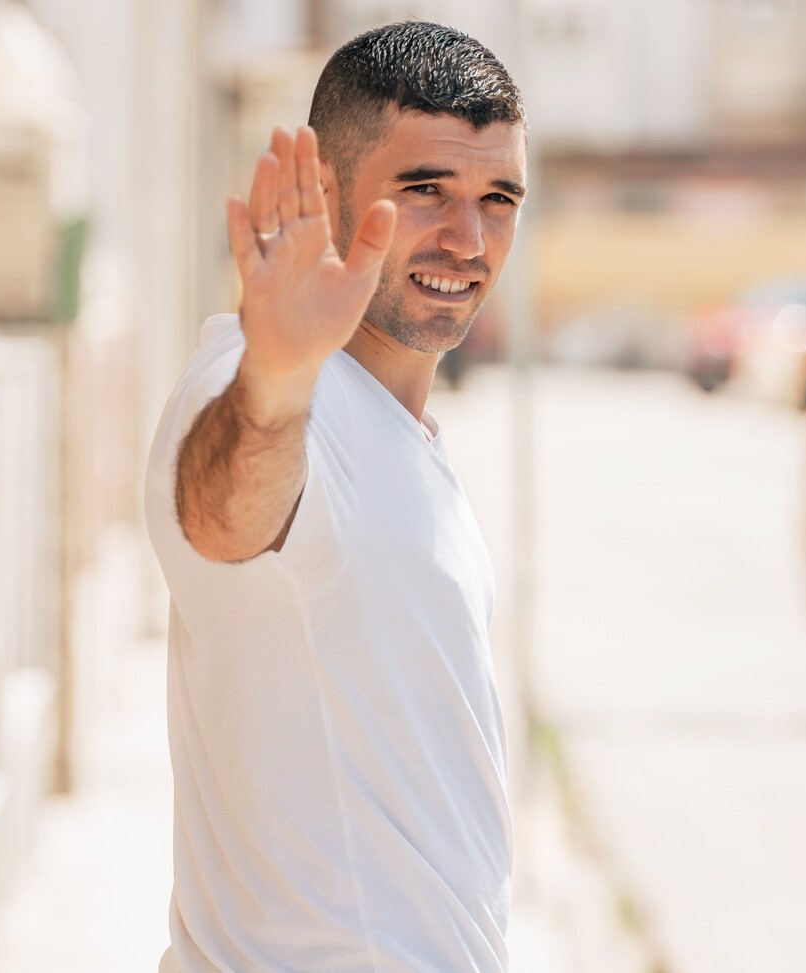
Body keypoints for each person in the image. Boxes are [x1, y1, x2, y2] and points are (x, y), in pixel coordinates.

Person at [143, 22, 527, 973]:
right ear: (326, 191)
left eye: (498, 198)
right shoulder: (252, 390)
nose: (467, 238)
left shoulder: (409, 438)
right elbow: (227, 518)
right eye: (425, 190)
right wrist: (275, 374)